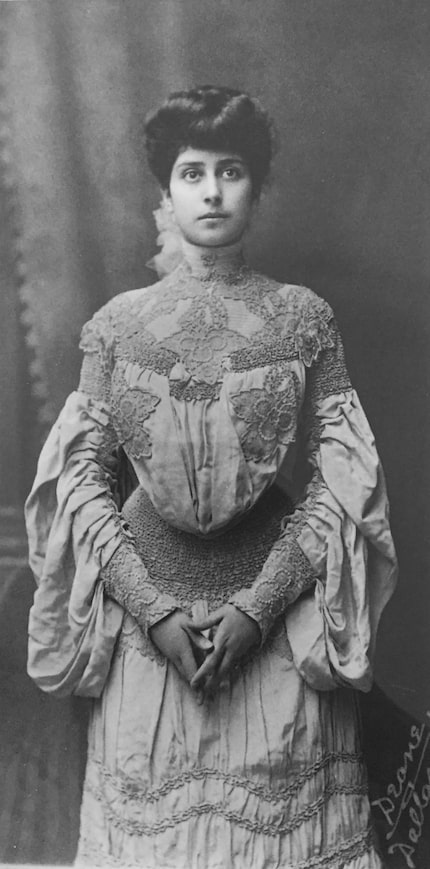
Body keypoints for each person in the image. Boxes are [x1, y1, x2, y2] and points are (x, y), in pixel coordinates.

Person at [25, 85, 398, 869]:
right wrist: (153, 609)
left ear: (256, 188)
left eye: (231, 171)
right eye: (193, 172)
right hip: (147, 639)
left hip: (273, 627)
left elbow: (345, 480)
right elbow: (81, 480)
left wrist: (258, 610)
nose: (213, 190)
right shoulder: (117, 325)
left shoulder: (303, 317)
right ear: (167, 189)